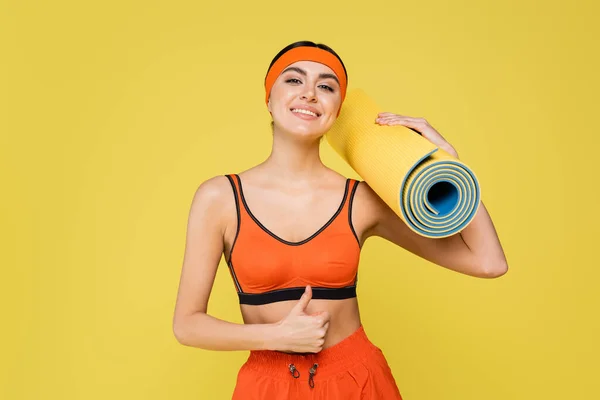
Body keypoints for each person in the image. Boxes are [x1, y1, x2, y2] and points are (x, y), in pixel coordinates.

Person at [172, 40, 508, 399]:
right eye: (294, 80)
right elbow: (187, 325)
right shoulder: (219, 198)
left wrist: (446, 165)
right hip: (266, 387)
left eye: (326, 86)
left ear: (336, 110)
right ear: (268, 98)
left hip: (359, 381)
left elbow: (489, 262)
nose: (310, 94)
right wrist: (275, 337)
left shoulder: (363, 199)